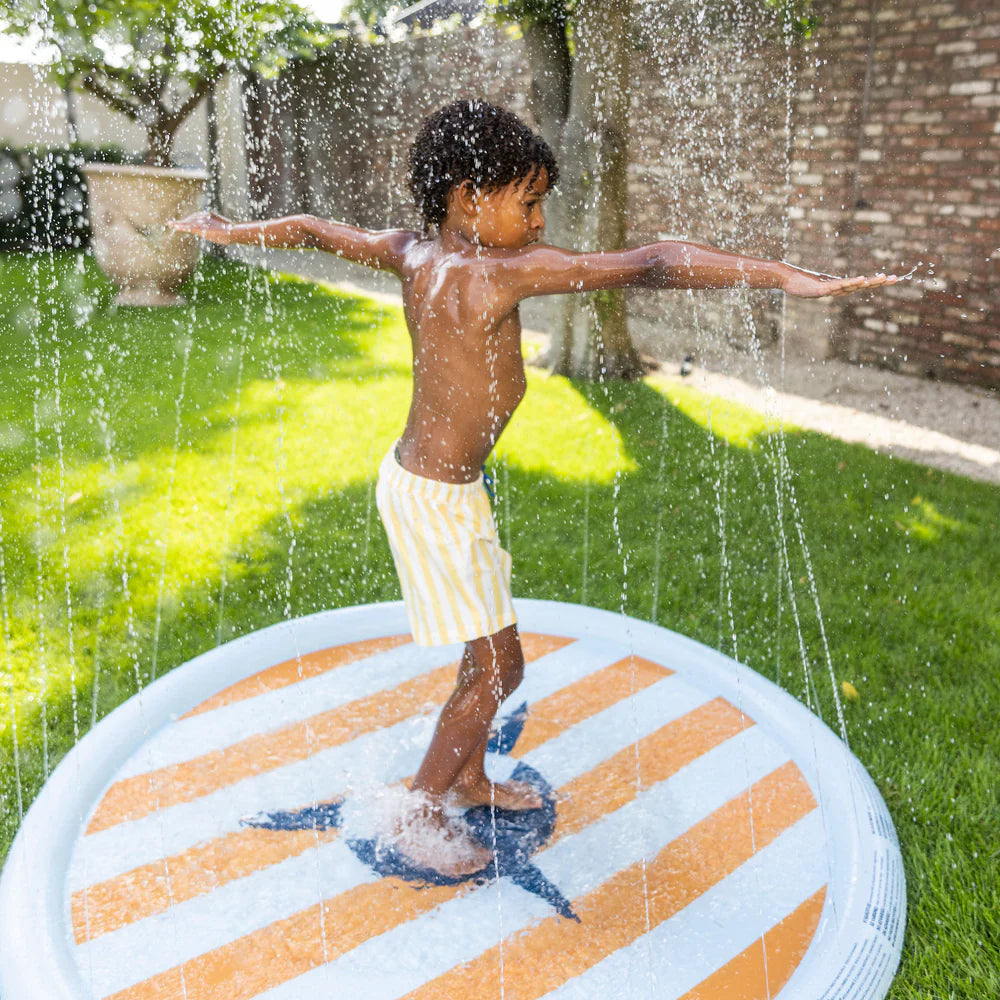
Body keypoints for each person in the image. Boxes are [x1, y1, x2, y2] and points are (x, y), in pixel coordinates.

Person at [168, 99, 896, 878]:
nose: (542, 221)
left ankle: (470, 777)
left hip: (429, 487)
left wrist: (232, 231)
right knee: (497, 669)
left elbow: (313, 227)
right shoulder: (502, 275)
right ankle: (418, 807)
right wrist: (781, 276)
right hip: (438, 501)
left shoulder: (413, 255)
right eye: (531, 200)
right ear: (467, 196)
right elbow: (649, 261)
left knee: (490, 658)